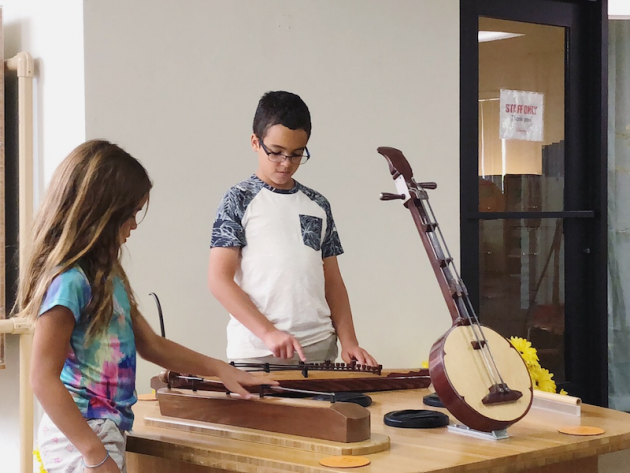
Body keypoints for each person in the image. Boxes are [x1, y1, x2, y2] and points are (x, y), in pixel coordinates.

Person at [18, 140, 273, 473]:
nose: (134, 225)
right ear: (101, 213)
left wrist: (221, 370)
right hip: (79, 438)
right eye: (131, 214)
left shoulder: (110, 278)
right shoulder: (69, 282)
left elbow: (151, 345)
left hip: (105, 431)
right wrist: (94, 454)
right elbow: (42, 378)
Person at [208, 91, 377, 367]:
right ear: (255, 142)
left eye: (296, 154)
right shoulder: (237, 199)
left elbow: (332, 281)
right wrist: (268, 332)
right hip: (257, 355)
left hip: (320, 352)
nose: (286, 163)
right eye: (275, 153)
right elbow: (219, 280)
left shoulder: (318, 204)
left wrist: (349, 342)